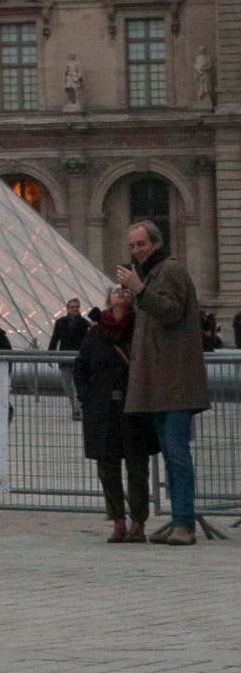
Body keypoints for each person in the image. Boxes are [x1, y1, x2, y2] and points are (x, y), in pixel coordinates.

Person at [117, 219, 211, 545]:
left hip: (175, 381)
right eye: (132, 246)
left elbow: (171, 311)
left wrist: (140, 290)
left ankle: (184, 523)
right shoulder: (151, 274)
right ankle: (178, 520)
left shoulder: (169, 271)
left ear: (156, 243)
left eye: (141, 244)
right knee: (171, 455)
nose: (136, 251)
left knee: (177, 454)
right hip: (160, 382)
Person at [71, 287, 159, 543]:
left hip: (135, 407)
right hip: (102, 408)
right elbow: (80, 367)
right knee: (107, 468)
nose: (122, 293)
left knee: (137, 467)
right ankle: (118, 521)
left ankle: (138, 523)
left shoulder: (141, 329)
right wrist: (87, 398)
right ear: (108, 299)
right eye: (117, 291)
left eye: (126, 291)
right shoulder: (95, 333)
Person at [49, 297, 89, 420]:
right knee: (67, 386)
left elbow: (88, 342)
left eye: (77, 307)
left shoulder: (84, 323)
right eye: (73, 307)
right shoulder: (60, 322)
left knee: (76, 385)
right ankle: (75, 407)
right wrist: (50, 355)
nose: (75, 309)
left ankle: (77, 410)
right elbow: (55, 339)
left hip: (79, 359)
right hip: (65, 358)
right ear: (67, 308)